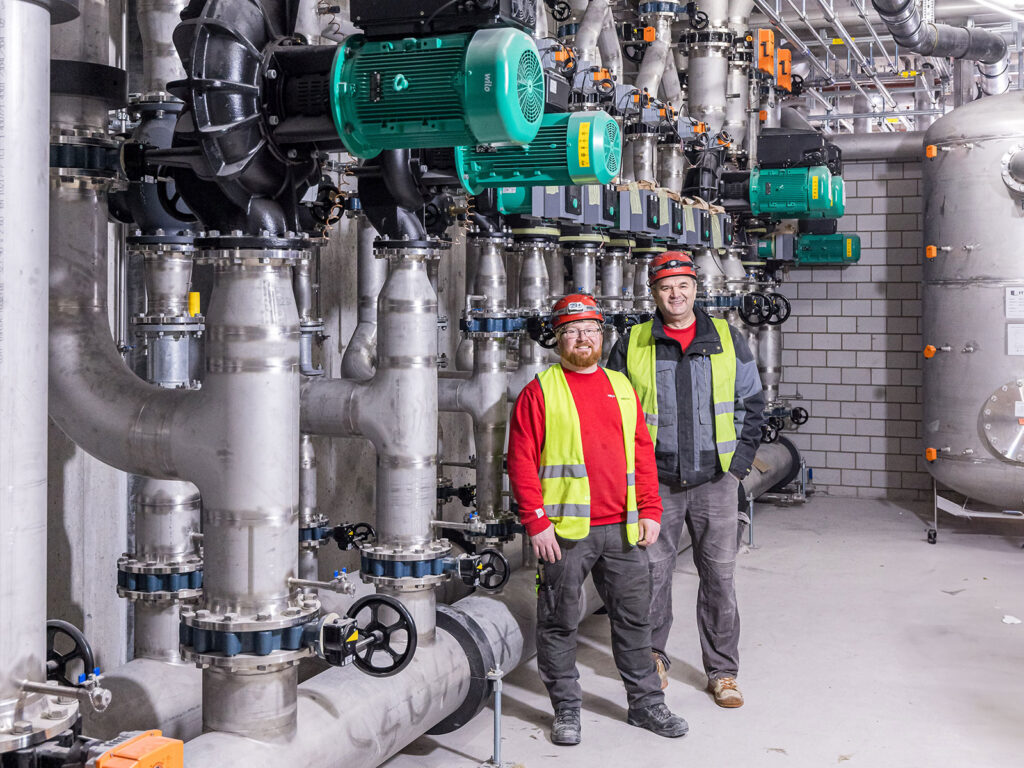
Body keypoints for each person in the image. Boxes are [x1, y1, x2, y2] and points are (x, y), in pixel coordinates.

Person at [508, 294, 689, 746]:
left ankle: (646, 705)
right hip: (567, 534)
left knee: (634, 621)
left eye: (590, 330)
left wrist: (650, 509)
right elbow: (521, 462)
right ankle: (567, 709)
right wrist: (536, 523)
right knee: (558, 622)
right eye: (571, 331)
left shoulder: (621, 386)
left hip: (624, 528)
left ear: (602, 335)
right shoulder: (540, 390)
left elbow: (641, 453)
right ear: (558, 339)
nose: (582, 338)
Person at [608, 252, 765, 709]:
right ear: (652, 293)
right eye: (664, 287)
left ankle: (723, 671)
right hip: (655, 482)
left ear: (696, 288)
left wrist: (737, 469)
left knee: (718, 576)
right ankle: (653, 657)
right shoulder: (633, 341)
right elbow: (614, 412)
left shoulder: (725, 337)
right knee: (652, 575)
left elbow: (751, 405)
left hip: (716, 480)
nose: (675, 295)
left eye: (682, 286)